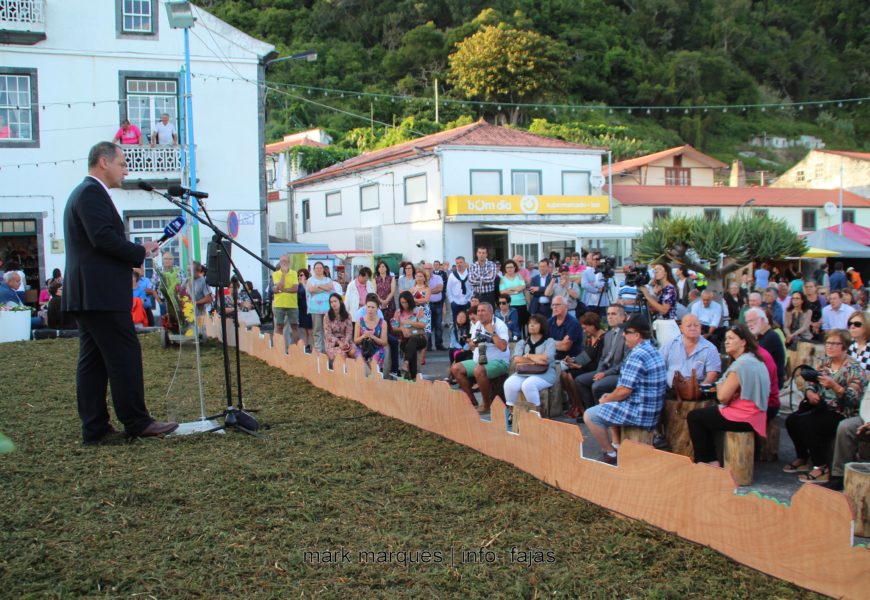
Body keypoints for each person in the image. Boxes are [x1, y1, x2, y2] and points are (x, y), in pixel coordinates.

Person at [62, 141, 177, 442]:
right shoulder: (90, 193)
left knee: (93, 361)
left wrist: (138, 249)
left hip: (89, 293)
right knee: (123, 354)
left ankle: (95, 429)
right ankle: (136, 422)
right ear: (103, 162)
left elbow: (100, 240)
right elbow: (102, 239)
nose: (125, 170)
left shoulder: (85, 193)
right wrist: (139, 250)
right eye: (122, 164)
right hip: (100, 293)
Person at [583, 315, 667, 465]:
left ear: (636, 335)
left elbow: (624, 391)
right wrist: (610, 398)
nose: (623, 335)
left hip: (640, 412)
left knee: (590, 415)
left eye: (626, 332)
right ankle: (616, 444)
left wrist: (606, 399)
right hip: (650, 409)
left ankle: (610, 453)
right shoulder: (652, 349)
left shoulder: (638, 355)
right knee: (609, 400)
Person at [784, 329, 866, 482]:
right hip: (821, 407)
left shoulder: (854, 369)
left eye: (835, 343)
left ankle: (821, 466)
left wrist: (835, 386)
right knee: (791, 421)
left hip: (842, 411)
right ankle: (802, 456)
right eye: (828, 343)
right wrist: (810, 393)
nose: (830, 346)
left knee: (810, 424)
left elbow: (854, 399)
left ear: (845, 346)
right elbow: (810, 382)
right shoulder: (824, 363)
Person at [687, 324, 771, 465]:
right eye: (726, 338)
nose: (726, 341)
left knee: (695, 417)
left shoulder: (742, 365)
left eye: (731, 338)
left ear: (743, 342)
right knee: (706, 416)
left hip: (744, 416)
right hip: (757, 414)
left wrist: (720, 386)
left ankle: (708, 462)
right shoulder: (754, 359)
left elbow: (722, 397)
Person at [450, 301, 510, 413]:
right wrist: (473, 343)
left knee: (478, 370)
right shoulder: (477, 324)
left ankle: (487, 404)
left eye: (483, 311)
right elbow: (472, 345)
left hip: (499, 362)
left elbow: (503, 347)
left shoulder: (500, 325)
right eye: (478, 311)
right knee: (455, 368)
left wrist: (492, 333)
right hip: (479, 361)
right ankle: (472, 402)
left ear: (491, 313)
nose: (480, 313)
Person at [503, 314, 556, 412]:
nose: (531, 326)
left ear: (542, 326)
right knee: (509, 384)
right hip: (524, 372)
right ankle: (512, 412)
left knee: (528, 385)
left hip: (545, 373)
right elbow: (517, 359)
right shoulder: (522, 342)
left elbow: (546, 359)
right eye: (530, 323)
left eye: (535, 324)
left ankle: (535, 413)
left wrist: (529, 356)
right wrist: (536, 361)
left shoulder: (549, 341)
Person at [659, 314, 722, 392]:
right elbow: (659, 368)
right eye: (689, 326)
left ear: (700, 327)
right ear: (681, 328)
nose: (693, 328)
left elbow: (712, 374)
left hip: (697, 392)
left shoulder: (710, 348)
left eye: (696, 325)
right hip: (670, 391)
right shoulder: (669, 345)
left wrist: (700, 389)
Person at [561, 311, 606, 418]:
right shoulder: (590, 338)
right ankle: (576, 404)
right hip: (586, 366)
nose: (584, 331)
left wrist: (580, 366)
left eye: (585, 328)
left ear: (593, 326)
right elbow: (585, 356)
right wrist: (573, 361)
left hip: (594, 368)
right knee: (564, 374)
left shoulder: (603, 339)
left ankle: (583, 407)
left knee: (571, 376)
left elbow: (598, 362)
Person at [744, 307, 786, 390]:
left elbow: (752, 357)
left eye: (752, 320)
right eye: (747, 322)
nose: (749, 324)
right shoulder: (760, 336)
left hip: (772, 386)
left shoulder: (771, 336)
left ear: (762, 320)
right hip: (763, 382)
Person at [639, 261, 678, 343]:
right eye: (655, 270)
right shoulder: (662, 289)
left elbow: (664, 310)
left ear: (665, 273)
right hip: (661, 325)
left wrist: (647, 295)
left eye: (659, 269)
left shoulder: (670, 288)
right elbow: (653, 309)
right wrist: (654, 296)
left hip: (668, 326)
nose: (656, 272)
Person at [394, 291, 428, 380]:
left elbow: (423, 324)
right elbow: (393, 327)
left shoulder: (418, 310)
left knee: (413, 339)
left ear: (410, 301)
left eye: (405, 302)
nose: (404, 304)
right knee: (411, 347)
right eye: (402, 302)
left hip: (419, 337)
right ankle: (413, 376)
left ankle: (406, 364)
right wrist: (402, 329)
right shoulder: (398, 312)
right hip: (405, 339)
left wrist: (411, 323)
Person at [271, 254, 299, 350]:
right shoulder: (275, 274)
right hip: (279, 304)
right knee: (279, 326)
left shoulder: (294, 273)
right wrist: (283, 274)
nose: (284, 263)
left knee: (294, 326)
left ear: (289, 262)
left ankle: (295, 348)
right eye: (282, 261)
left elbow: (295, 288)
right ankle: (279, 348)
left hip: (292, 304)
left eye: (285, 261)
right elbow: (279, 286)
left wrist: (283, 290)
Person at [354, 296, 388, 373]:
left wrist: (372, 337)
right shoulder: (360, 321)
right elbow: (356, 340)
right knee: (358, 355)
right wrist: (363, 336)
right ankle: (367, 375)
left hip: (376, 348)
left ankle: (372, 376)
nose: (370, 309)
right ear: (365, 307)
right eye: (368, 307)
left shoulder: (382, 323)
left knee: (379, 355)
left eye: (373, 307)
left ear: (377, 309)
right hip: (362, 348)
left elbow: (384, 342)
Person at [306, 262, 333, 353]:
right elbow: (311, 289)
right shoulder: (310, 280)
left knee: (327, 330)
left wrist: (318, 286)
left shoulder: (328, 279)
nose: (318, 269)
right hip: (315, 308)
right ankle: (318, 350)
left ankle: (328, 350)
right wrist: (323, 288)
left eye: (320, 268)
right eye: (316, 268)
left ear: (323, 269)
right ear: (314, 270)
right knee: (317, 329)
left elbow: (329, 288)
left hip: (327, 308)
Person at [323, 292, 355, 367]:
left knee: (354, 352)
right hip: (333, 343)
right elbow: (328, 334)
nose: (333, 304)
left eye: (335, 301)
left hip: (346, 341)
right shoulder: (327, 316)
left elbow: (349, 332)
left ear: (340, 301)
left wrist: (346, 342)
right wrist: (339, 342)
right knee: (342, 355)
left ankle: (360, 373)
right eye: (331, 302)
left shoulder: (347, 315)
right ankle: (347, 375)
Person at [547, 296, 583, 361]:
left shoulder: (574, 323)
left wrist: (548, 343)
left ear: (566, 306)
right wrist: (560, 343)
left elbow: (565, 347)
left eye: (558, 304)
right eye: (553, 305)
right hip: (551, 357)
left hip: (569, 360)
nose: (554, 307)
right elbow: (542, 342)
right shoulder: (549, 322)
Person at [410, 269, 433, 365]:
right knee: (414, 332)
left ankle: (422, 356)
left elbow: (426, 300)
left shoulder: (427, 289)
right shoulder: (412, 289)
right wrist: (418, 300)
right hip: (414, 313)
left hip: (424, 312)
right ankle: (415, 354)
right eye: (417, 276)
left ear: (424, 278)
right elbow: (410, 301)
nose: (419, 278)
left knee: (425, 333)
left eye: (421, 276)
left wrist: (415, 300)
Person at [498, 259, 528, 332]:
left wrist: (509, 289)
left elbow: (522, 286)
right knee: (510, 324)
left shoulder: (519, 276)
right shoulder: (503, 279)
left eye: (511, 267)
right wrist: (515, 291)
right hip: (509, 305)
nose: (510, 269)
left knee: (521, 324)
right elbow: (502, 292)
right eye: (507, 267)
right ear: (505, 269)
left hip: (521, 304)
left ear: (515, 268)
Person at [426, 263, 446, 351]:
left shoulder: (438, 277)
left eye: (429, 268)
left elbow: (439, 289)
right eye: (426, 268)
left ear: (432, 269)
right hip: (426, 305)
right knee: (428, 326)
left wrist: (427, 291)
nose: (428, 270)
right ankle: (428, 345)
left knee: (438, 325)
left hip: (437, 304)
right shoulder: (422, 279)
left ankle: (439, 344)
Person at [580, 251, 605, 316]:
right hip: (590, 303)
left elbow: (607, 284)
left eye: (597, 259)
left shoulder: (605, 271)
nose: (595, 261)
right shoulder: (586, 271)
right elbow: (584, 285)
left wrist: (594, 284)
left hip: (602, 303)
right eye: (594, 259)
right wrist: (597, 290)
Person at [296, 268, 313, 351]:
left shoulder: (309, 284)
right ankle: (306, 345)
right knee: (304, 329)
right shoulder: (298, 285)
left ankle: (311, 346)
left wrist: (303, 283)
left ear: (306, 275)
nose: (299, 276)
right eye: (298, 275)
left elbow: (309, 294)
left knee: (310, 330)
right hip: (301, 309)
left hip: (309, 308)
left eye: (301, 275)